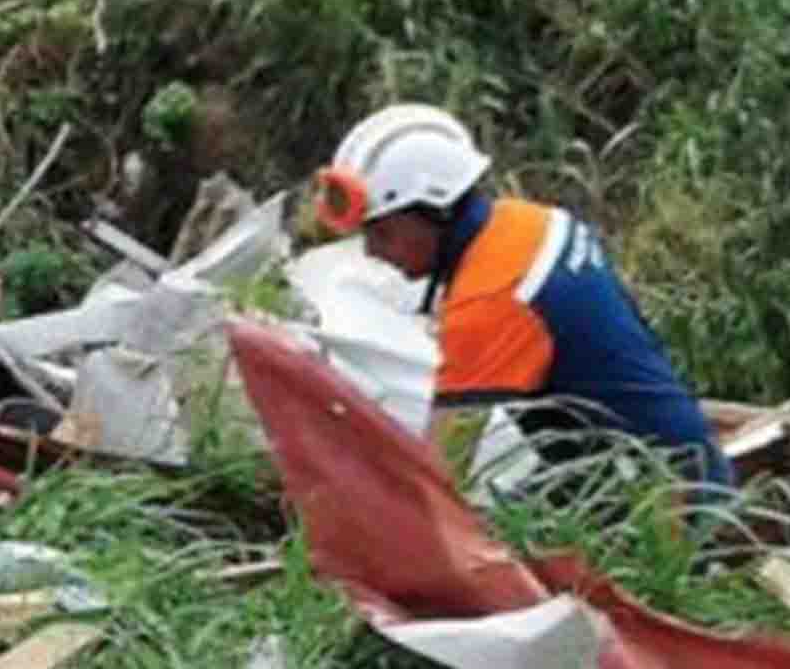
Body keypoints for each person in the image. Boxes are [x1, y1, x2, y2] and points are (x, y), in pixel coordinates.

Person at [309, 104, 729, 502]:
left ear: (435, 212)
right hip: (672, 463)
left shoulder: (492, 298)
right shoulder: (530, 222)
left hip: (665, 507)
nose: (372, 253)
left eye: (382, 233)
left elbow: (440, 475)